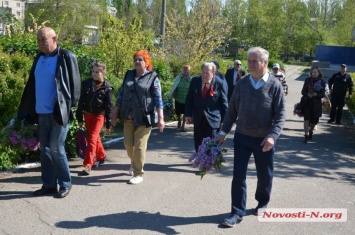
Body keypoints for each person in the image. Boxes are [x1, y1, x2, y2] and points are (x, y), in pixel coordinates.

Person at [216, 47, 286, 228]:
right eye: (249, 61)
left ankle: (262, 202)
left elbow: (280, 115)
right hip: (242, 137)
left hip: (264, 140)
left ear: (265, 63)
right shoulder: (242, 83)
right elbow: (232, 109)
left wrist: (272, 136)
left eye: (255, 61)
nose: (251, 64)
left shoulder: (275, 85)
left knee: (265, 175)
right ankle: (236, 212)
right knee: (238, 176)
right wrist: (224, 131)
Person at [17, 27, 81, 198]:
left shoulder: (66, 56)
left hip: (59, 112)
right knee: (45, 149)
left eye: (43, 39)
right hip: (41, 112)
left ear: (55, 39)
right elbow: (32, 85)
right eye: (38, 40)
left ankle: (65, 184)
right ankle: (49, 185)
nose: (40, 43)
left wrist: (67, 107)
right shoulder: (39, 58)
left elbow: (75, 88)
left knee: (56, 148)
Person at [111, 50, 165, 185]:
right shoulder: (129, 75)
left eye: (140, 60)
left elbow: (158, 99)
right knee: (128, 144)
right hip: (128, 115)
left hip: (144, 118)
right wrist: (114, 112)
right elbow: (121, 94)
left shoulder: (153, 77)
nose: (137, 62)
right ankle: (134, 162)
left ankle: (138, 173)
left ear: (147, 63)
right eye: (135, 59)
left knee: (140, 146)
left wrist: (161, 118)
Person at [76, 61, 113, 176]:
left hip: (99, 116)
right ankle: (101, 156)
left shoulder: (107, 88)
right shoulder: (86, 83)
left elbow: (109, 107)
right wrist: (79, 117)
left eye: (98, 72)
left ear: (103, 72)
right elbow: (81, 101)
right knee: (95, 137)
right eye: (93, 71)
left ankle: (88, 164)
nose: (94, 74)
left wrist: (108, 123)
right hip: (87, 114)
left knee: (92, 138)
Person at [185, 62, 228, 152]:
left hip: (213, 120)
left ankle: (210, 164)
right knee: (199, 145)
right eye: (203, 72)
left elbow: (224, 104)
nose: (204, 75)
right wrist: (188, 114)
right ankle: (201, 161)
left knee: (211, 147)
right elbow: (189, 98)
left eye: (207, 73)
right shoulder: (195, 81)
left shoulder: (219, 83)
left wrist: (224, 122)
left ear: (213, 73)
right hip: (198, 118)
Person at [300, 66, 326, 143]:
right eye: (313, 72)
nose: (314, 73)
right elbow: (303, 92)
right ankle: (306, 135)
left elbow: (322, 94)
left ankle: (311, 131)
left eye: (315, 72)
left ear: (319, 73)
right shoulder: (307, 80)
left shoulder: (322, 82)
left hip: (316, 104)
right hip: (307, 103)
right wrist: (308, 94)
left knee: (314, 121)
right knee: (306, 119)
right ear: (311, 73)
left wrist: (316, 94)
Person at [168, 64, 192, 132]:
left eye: (187, 71)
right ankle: (179, 120)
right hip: (178, 98)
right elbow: (174, 86)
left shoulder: (191, 79)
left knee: (185, 112)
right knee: (178, 112)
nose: (186, 72)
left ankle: (183, 126)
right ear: (183, 71)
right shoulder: (178, 78)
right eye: (185, 70)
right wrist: (171, 95)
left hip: (186, 99)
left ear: (189, 71)